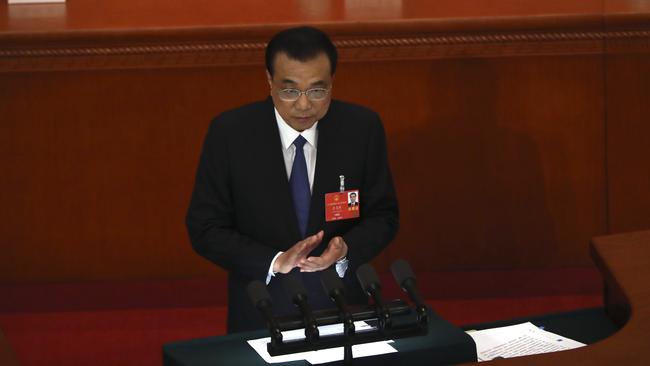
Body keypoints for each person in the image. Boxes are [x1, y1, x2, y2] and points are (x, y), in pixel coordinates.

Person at [186, 26, 399, 333]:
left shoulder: (361, 129)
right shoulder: (231, 134)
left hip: (342, 305)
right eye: (289, 90)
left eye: (317, 90)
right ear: (269, 81)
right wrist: (274, 261)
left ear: (332, 83)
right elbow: (205, 227)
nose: (303, 105)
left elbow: (384, 215)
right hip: (262, 308)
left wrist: (347, 247)